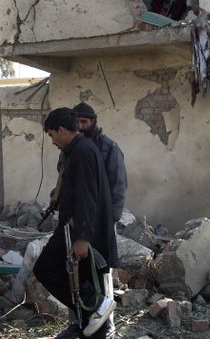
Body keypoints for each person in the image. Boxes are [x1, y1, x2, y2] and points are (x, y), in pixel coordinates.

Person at [33, 107, 117, 339]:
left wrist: (82, 238)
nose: (52, 141)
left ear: (61, 130)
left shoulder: (82, 152)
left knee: (46, 268)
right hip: (72, 227)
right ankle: (85, 323)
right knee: (74, 278)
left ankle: (96, 304)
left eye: (52, 135)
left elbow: (88, 197)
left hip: (81, 230)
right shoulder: (76, 150)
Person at [55, 102, 127, 339]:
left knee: (100, 273)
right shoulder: (70, 149)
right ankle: (78, 323)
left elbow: (117, 186)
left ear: (93, 121)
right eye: (78, 123)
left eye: (85, 122)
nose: (81, 127)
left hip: (100, 225)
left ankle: (107, 327)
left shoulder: (108, 148)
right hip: (75, 223)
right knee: (73, 273)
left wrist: (110, 222)